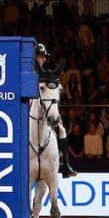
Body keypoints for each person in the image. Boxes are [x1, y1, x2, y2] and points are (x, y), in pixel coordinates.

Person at [34, 43, 78, 178]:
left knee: (62, 129)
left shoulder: (46, 73)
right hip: (27, 107)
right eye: (41, 57)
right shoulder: (28, 70)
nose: (44, 60)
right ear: (35, 56)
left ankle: (65, 165)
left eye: (44, 57)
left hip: (45, 109)